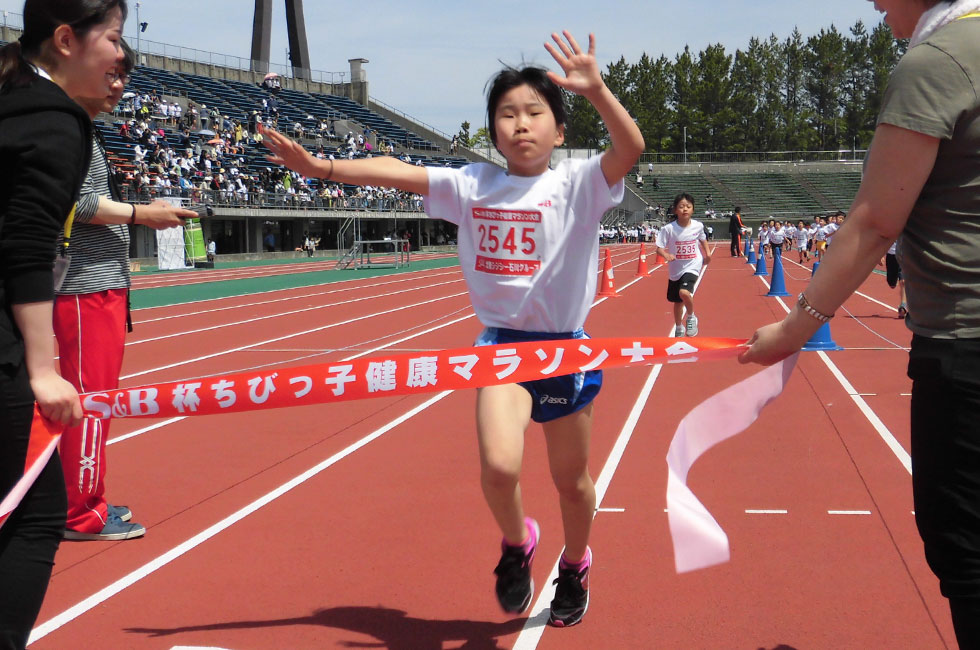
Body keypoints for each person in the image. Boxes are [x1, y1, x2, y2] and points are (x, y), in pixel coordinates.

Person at [260, 30, 643, 628]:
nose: (521, 124)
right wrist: (322, 166)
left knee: (572, 483)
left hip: (565, 351)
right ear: (492, 131)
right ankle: (518, 545)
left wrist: (597, 91)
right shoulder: (474, 185)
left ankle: (574, 563)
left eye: (535, 113)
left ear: (559, 130)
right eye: (507, 114)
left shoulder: (580, 184)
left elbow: (630, 146)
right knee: (498, 467)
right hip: (500, 352)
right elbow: (398, 172)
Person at [741, 2, 980, 646]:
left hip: (966, 344)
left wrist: (796, 327)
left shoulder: (938, 63)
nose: (874, 3)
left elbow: (876, 220)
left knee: (967, 548)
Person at [0, 1, 129, 645]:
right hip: (4, 343)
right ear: (64, 39)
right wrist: (44, 371)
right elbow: (26, 247)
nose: (120, 58)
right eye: (112, 39)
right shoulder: (53, 121)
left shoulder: (14, 95)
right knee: (35, 510)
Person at [55, 39, 194, 543]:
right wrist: (143, 213)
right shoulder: (68, 127)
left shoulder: (81, 128)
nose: (119, 85)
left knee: (90, 398)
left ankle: (78, 498)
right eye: (111, 73)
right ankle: (82, 513)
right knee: (92, 400)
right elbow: (77, 202)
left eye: (124, 76)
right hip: (86, 284)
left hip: (97, 283)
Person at [655, 193, 711, 337]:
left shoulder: (698, 226)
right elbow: (659, 247)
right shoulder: (668, 229)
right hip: (676, 268)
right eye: (681, 206)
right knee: (678, 301)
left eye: (688, 206)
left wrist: (708, 254)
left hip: (693, 264)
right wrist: (666, 255)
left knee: (684, 292)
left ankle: (691, 317)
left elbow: (703, 239)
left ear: (693, 209)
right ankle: (679, 327)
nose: (685, 209)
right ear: (675, 210)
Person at [881, 240, 908, 318]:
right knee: (891, 283)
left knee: (903, 281)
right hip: (891, 256)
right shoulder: (890, 228)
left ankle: (903, 306)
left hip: (903, 256)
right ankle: (894, 280)